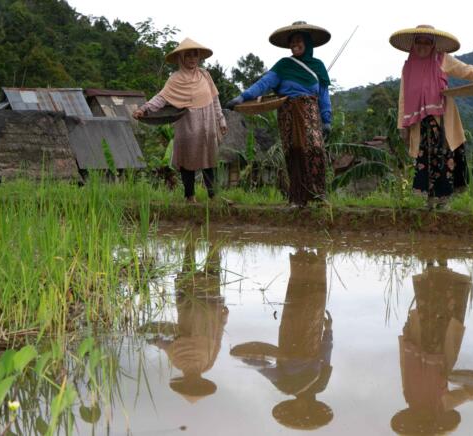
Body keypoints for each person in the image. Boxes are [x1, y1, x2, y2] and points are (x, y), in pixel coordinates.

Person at [390, 24, 473, 209]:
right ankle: (430, 200)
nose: (423, 46)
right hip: (419, 122)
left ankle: (444, 200)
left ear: (433, 44)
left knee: (445, 156)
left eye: (427, 42)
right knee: (425, 159)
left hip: (443, 118)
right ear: (414, 44)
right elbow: (403, 98)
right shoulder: (408, 67)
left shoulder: (442, 59)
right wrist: (401, 126)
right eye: (419, 42)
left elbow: (468, 71)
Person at [391, 259, 473, 434]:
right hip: (419, 341)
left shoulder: (440, 405)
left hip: (437, 349)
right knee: (430, 309)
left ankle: (439, 271)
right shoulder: (409, 396)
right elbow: (404, 365)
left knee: (445, 313)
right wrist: (407, 333)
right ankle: (434, 270)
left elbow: (469, 394)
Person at [226, 22, 332, 207]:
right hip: (288, 112)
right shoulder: (284, 65)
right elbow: (264, 83)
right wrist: (242, 97)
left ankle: (318, 194)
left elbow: (323, 94)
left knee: (315, 149)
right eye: (292, 42)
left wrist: (327, 118)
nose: (294, 44)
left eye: (298, 41)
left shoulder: (318, 67)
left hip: (310, 112)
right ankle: (298, 199)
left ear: (307, 43)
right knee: (294, 152)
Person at [230, 248, 333, 430]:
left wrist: (244, 357)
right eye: (304, 410)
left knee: (294, 301)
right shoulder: (320, 385)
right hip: (311, 338)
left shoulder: (285, 385)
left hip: (288, 337)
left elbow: (264, 368)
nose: (300, 406)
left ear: (292, 406)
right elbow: (325, 356)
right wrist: (328, 331)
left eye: (296, 410)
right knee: (314, 303)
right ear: (310, 406)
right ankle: (320, 259)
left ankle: (300, 255)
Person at [133, 38, 227, 203]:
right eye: (188, 55)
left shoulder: (205, 75)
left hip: (208, 123)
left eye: (195, 55)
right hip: (188, 124)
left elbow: (215, 99)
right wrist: (144, 109)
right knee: (187, 160)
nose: (192, 59)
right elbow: (161, 98)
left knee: (209, 160)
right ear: (181, 58)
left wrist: (221, 119)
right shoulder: (175, 79)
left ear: (199, 57)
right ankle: (190, 197)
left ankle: (214, 196)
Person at [141, 238, 228, 402]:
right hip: (200, 315)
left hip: (206, 315)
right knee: (201, 278)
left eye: (190, 385)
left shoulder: (200, 364)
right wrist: (153, 340)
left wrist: (223, 320)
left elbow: (216, 341)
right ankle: (199, 243)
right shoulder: (186, 363)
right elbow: (168, 345)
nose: (192, 381)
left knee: (207, 277)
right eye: (195, 384)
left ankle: (207, 243)